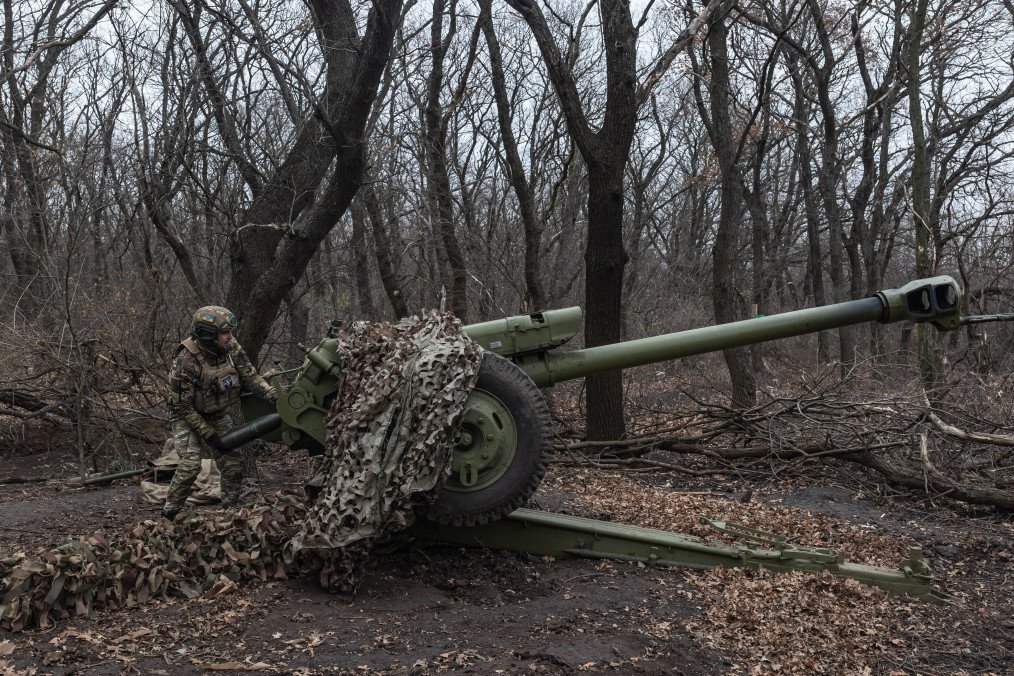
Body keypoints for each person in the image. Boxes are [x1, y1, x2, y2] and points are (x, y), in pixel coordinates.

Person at [161, 306, 277, 519]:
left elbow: (250, 376)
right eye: (225, 333)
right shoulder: (185, 362)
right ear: (208, 336)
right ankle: (169, 512)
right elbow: (182, 407)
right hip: (186, 417)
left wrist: (272, 395)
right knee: (190, 465)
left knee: (233, 460)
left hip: (215, 412)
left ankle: (229, 511)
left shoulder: (231, 347)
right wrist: (210, 435)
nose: (230, 337)